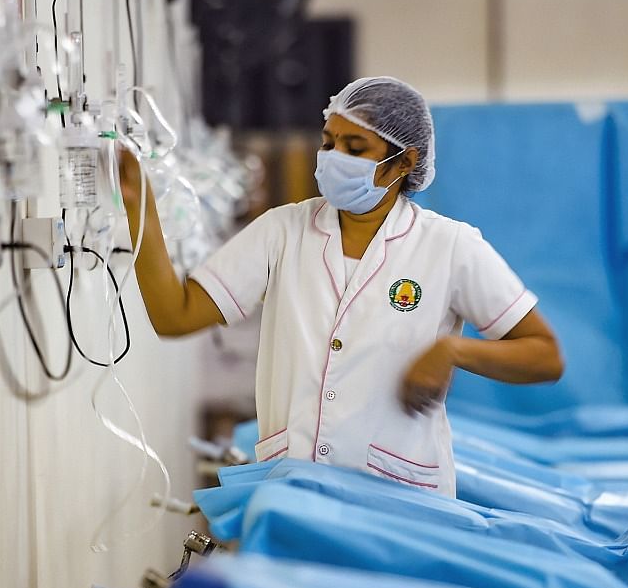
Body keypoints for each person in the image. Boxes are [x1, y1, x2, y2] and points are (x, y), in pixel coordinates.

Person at [120, 76, 563, 496]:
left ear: (405, 162)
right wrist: (139, 206)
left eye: (355, 147)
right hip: (293, 489)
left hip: (401, 498)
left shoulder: (450, 246)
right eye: (328, 143)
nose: (334, 158)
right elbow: (174, 315)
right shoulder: (282, 231)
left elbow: (543, 355)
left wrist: (452, 351)